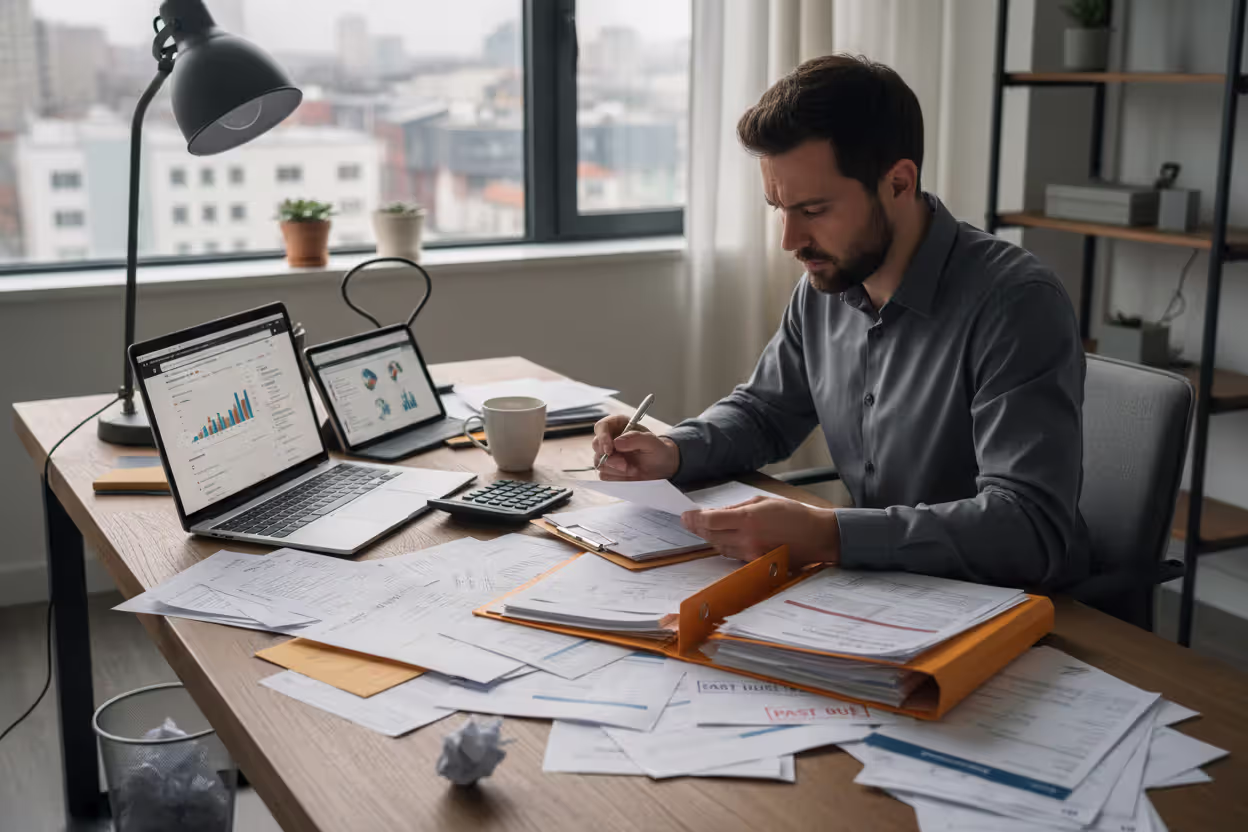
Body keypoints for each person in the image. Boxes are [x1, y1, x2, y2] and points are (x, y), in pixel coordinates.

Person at [592, 54, 1089, 590]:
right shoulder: (824, 285)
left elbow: (1028, 527)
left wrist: (831, 534)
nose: (789, 241)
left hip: (1015, 609)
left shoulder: (1014, 303)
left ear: (899, 183)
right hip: (884, 590)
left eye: (814, 209)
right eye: (778, 208)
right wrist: (676, 450)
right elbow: (765, 412)